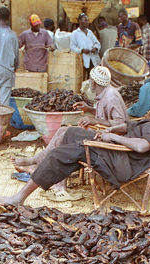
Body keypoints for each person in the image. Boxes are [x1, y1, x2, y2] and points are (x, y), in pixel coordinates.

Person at [0, 95, 150, 206]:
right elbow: (129, 126)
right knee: (69, 132)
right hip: (116, 150)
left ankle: (19, 198)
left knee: (61, 154)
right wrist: (110, 130)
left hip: (122, 162)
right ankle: (39, 165)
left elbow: (142, 146)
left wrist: (112, 138)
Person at [11, 66, 128, 201]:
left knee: (67, 137)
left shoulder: (111, 96)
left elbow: (121, 124)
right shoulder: (104, 94)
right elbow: (105, 115)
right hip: (99, 133)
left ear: (94, 82)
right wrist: (89, 109)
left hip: (107, 143)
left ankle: (44, 170)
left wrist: (93, 119)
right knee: (62, 130)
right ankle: (38, 161)